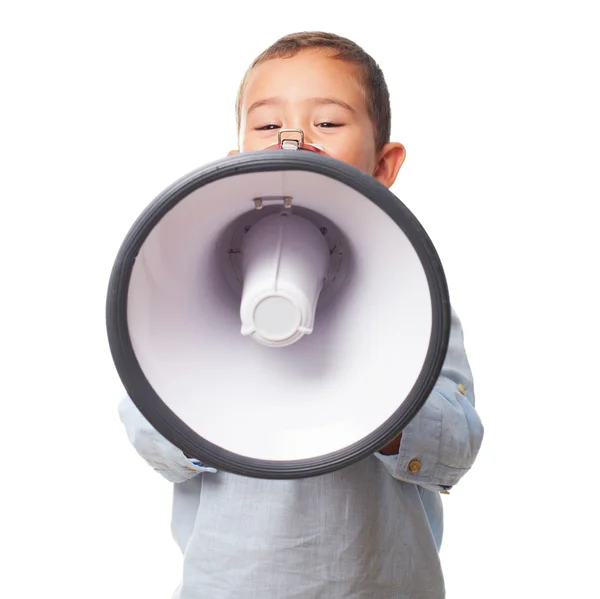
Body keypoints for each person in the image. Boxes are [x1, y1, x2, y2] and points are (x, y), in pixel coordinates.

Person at [118, 31, 484, 599]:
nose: (293, 139)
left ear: (384, 165)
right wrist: (202, 385)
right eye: (266, 125)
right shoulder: (174, 291)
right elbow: (149, 435)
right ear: (236, 161)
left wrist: (380, 403)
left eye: (329, 124)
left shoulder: (414, 297)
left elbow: (455, 448)